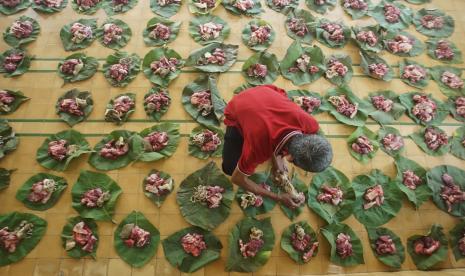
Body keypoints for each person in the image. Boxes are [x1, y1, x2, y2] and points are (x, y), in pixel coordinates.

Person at [222, 84, 333, 209]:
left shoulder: (310, 124)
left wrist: (277, 160)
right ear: (290, 158)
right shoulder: (258, 147)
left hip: (265, 92)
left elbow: (280, 135)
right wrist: (278, 197)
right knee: (229, 168)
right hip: (238, 105)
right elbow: (237, 179)